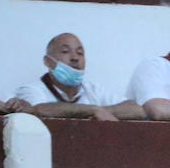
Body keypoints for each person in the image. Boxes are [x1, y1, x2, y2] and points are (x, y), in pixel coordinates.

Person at [12, 32, 145, 120]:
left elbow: (137, 110)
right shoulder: (31, 90)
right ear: (47, 61)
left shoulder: (92, 90)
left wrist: (99, 110)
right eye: (65, 51)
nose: (75, 58)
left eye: (80, 53)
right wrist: (91, 110)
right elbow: (38, 109)